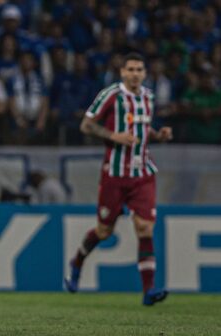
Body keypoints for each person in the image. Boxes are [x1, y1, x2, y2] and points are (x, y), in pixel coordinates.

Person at [64, 52, 173, 306]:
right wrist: (114, 136)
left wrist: (159, 136)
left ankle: (148, 291)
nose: (135, 74)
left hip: (143, 174)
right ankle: (77, 262)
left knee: (145, 227)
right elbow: (86, 126)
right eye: (131, 69)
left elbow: (142, 133)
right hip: (114, 175)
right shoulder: (111, 94)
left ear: (144, 74)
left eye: (139, 70)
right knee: (103, 231)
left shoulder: (148, 97)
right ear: (122, 72)